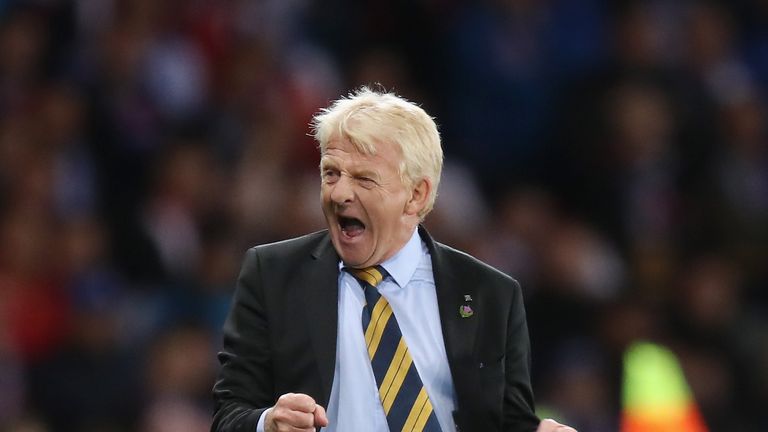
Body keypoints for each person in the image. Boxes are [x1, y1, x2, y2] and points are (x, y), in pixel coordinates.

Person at [211, 87, 576, 432]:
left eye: (364, 179)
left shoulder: (490, 293)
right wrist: (267, 422)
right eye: (331, 173)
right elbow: (228, 416)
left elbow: (509, 421)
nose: (339, 194)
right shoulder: (272, 274)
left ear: (417, 195)